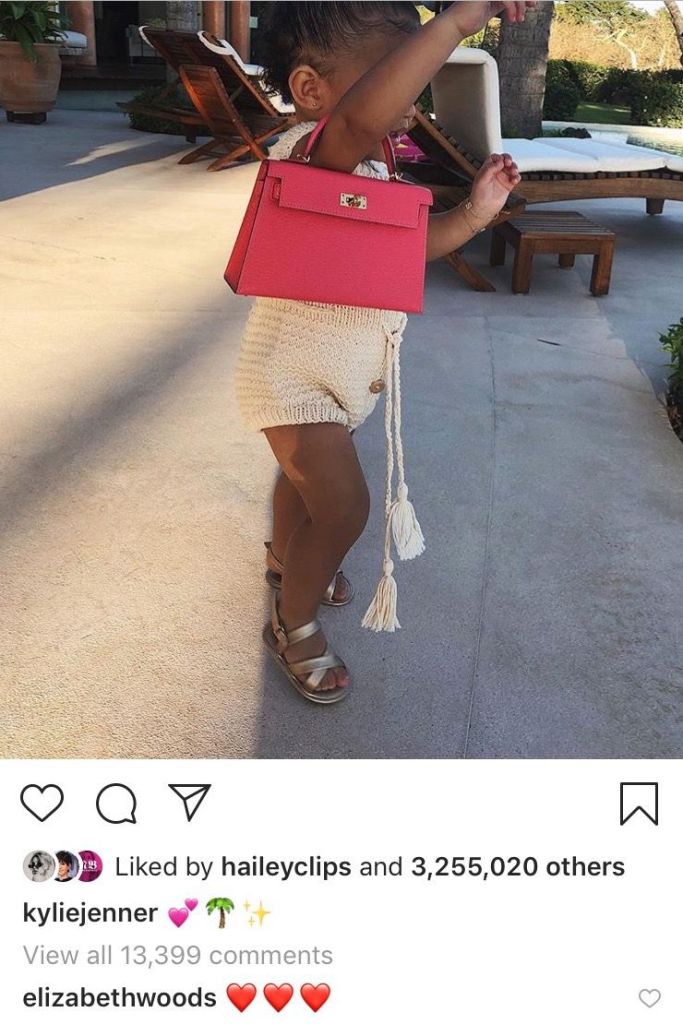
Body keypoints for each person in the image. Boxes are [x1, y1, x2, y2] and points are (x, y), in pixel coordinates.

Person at [234, 1, 533, 704]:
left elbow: (406, 251)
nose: (412, 93)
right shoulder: (315, 148)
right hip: (290, 377)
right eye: (393, 72)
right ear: (311, 90)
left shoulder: (372, 170)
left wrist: (475, 212)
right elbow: (357, 120)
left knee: (304, 488)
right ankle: (292, 621)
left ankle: (285, 564)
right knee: (344, 510)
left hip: (337, 381)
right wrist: (454, 23)